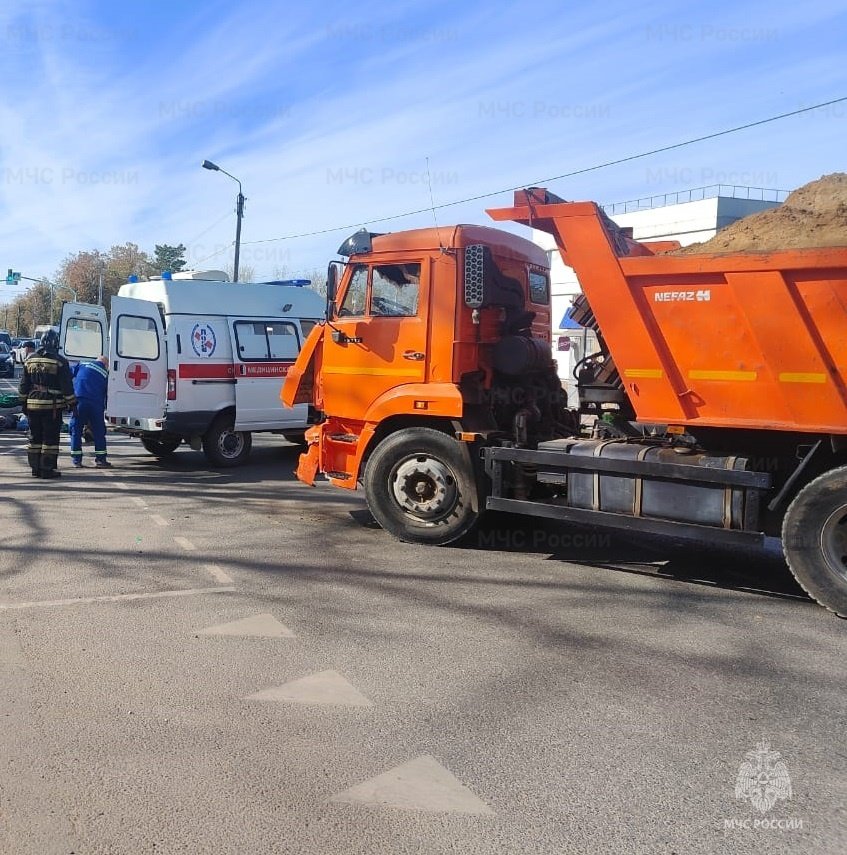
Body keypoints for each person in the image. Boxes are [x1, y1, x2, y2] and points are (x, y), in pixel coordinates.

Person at [18, 329, 77, 478]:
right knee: (49, 440)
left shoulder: (30, 359)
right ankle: (46, 469)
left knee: (34, 438)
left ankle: (35, 468)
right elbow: (66, 386)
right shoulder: (60, 361)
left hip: (32, 405)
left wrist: (23, 403)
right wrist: (72, 404)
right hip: (52, 407)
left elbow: (23, 385)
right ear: (55, 343)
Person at [69, 355, 112, 468]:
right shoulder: (106, 373)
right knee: (99, 431)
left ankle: (76, 460)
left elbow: (68, 373)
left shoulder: (82, 364)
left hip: (79, 400)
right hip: (96, 404)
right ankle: (101, 460)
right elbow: (109, 392)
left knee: (76, 430)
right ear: (106, 365)